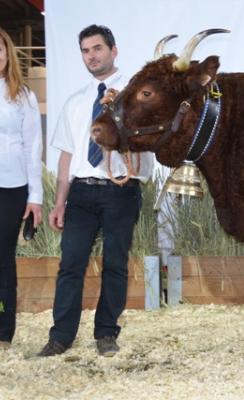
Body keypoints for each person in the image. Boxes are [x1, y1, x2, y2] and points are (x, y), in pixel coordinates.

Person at [38, 24, 154, 357]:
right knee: (70, 264)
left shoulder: (135, 97)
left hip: (121, 190)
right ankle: (60, 337)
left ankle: (106, 333)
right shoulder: (75, 103)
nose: (92, 56)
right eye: (86, 51)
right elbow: (66, 157)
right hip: (82, 194)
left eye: (98, 48)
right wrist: (59, 202)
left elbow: (146, 141)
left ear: (113, 51)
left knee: (115, 263)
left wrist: (122, 112)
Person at [0, 27, 43, 349]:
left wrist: (36, 197)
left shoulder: (24, 95)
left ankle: (4, 330)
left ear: (7, 54)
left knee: (3, 258)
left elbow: (33, 148)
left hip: (12, 185)